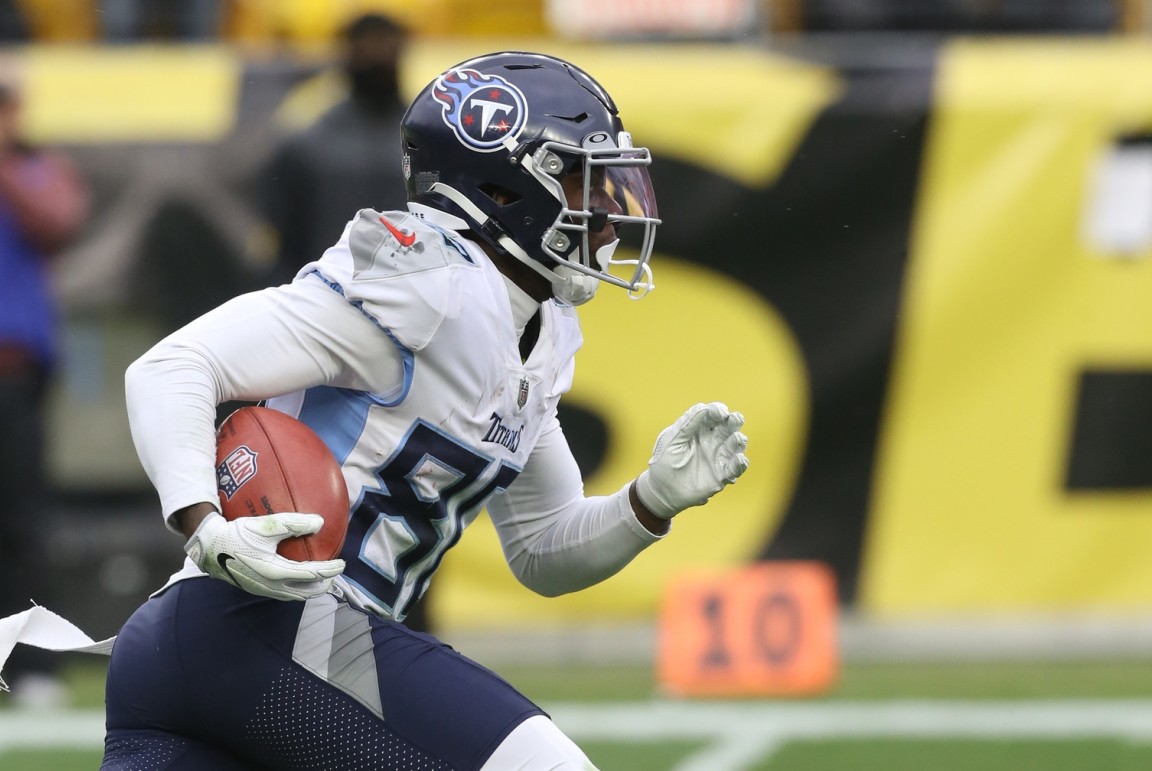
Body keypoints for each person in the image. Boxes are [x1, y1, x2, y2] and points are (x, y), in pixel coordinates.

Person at [107, 51, 748, 769]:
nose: (606, 211)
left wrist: (649, 502)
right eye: (578, 178)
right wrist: (205, 524)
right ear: (503, 189)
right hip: (258, 624)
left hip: (220, 657)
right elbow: (172, 367)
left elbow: (541, 546)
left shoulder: (539, 328)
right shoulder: (426, 283)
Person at [0, 57, 88, 705]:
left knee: (21, 527)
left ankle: (24, 664)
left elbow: (57, 220)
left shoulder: (34, 167)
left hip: (12, 380)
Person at [259, 13, 410, 286]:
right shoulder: (307, 143)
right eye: (368, 49)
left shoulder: (423, 139)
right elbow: (284, 237)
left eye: (385, 48)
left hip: (413, 290)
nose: (377, 58)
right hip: (327, 294)